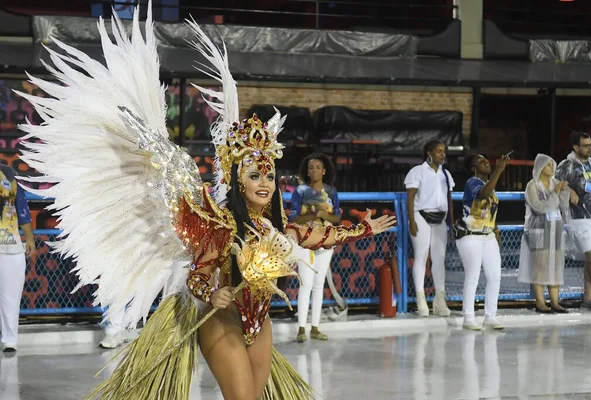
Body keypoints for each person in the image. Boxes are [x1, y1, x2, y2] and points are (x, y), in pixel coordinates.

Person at [17, 5, 396, 399]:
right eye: (254, 176)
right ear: (237, 182)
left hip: (259, 323)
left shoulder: (279, 229)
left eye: (268, 175)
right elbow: (199, 273)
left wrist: (365, 228)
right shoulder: (220, 224)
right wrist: (210, 293)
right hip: (222, 319)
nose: (264, 182)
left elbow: (319, 235)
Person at [289, 153, 341, 342]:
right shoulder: (300, 192)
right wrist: (311, 216)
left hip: (326, 242)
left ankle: (315, 327)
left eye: (318, 167)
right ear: (307, 171)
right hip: (306, 242)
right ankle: (301, 328)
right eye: (311, 167)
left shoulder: (331, 191)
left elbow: (337, 217)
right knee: (306, 284)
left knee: (319, 286)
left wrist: (323, 215)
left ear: (324, 170)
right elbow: (293, 217)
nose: (314, 170)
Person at [454, 153, 509, 330]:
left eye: (487, 159)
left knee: (494, 276)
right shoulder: (473, 182)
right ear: (473, 168)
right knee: (473, 276)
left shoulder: (489, 186)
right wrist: (499, 170)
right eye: (480, 161)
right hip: (470, 236)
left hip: (488, 236)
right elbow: (482, 195)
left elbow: (489, 212)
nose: (486, 162)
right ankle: (468, 317)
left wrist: (496, 229)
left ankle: (490, 316)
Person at [405, 140, 454, 317]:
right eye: (439, 151)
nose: (443, 154)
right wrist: (412, 220)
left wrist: (451, 222)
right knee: (422, 255)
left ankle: (440, 299)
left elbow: (449, 199)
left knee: (439, 259)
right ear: (429, 153)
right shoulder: (418, 172)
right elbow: (410, 198)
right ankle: (420, 298)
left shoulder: (446, 174)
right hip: (421, 215)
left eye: (444, 151)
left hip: (440, 218)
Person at [518, 154, 570, 313]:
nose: (551, 167)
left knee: (555, 265)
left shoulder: (556, 183)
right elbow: (539, 207)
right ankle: (540, 302)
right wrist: (554, 193)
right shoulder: (532, 186)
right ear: (540, 167)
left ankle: (555, 301)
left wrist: (564, 191)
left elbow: (563, 205)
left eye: (552, 164)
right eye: (548, 165)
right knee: (539, 265)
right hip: (539, 229)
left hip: (556, 227)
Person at [555, 131, 591, 310]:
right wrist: (569, 191)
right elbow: (554, 184)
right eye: (586, 145)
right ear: (575, 147)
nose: (590, 148)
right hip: (579, 217)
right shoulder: (567, 165)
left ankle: (588, 299)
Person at [0, 164, 35, 353]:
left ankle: (9, 339)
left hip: (10, 247)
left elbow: (22, 209)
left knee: (10, 297)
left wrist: (29, 238)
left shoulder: (9, 175)